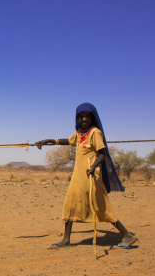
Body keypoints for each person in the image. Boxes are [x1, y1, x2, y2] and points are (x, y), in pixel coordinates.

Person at [35, 103, 137, 249]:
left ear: (92, 118)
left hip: (91, 178)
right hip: (77, 179)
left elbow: (102, 154)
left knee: (102, 208)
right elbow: (68, 141)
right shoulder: (80, 133)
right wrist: (50, 140)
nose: (84, 119)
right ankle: (66, 239)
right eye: (81, 117)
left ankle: (127, 235)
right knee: (70, 206)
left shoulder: (95, 133)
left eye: (87, 117)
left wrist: (93, 167)